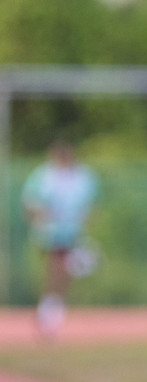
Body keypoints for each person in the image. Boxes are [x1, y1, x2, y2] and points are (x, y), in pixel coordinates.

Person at [21, 141, 99, 337]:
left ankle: (50, 311)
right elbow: (30, 204)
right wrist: (43, 215)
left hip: (73, 232)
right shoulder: (44, 175)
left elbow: (91, 206)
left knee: (64, 274)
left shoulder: (82, 176)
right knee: (56, 270)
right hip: (51, 232)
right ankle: (48, 314)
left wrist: (84, 223)